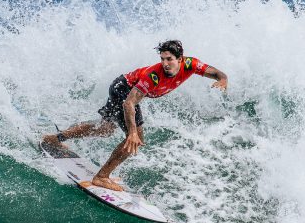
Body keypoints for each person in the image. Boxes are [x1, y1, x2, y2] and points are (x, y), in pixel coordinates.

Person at [41, 40, 228, 191]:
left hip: (121, 87)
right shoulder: (154, 75)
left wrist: (223, 79)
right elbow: (129, 103)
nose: (165, 64)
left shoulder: (191, 64)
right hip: (123, 90)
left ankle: (54, 139)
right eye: (162, 59)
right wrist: (132, 132)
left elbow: (216, 72)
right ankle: (101, 177)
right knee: (135, 139)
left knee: (105, 129)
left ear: (180, 59)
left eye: (169, 59)